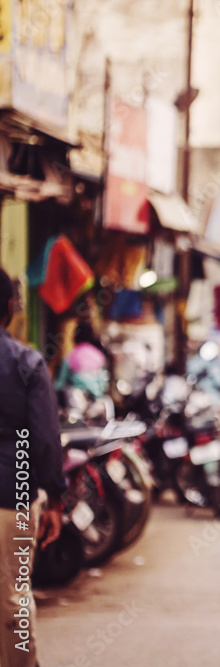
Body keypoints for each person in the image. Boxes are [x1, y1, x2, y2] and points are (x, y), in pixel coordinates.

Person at [0, 268, 64, 667]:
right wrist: (55, 497)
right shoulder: (26, 362)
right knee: (13, 596)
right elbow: (42, 438)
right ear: (10, 306)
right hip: (13, 493)